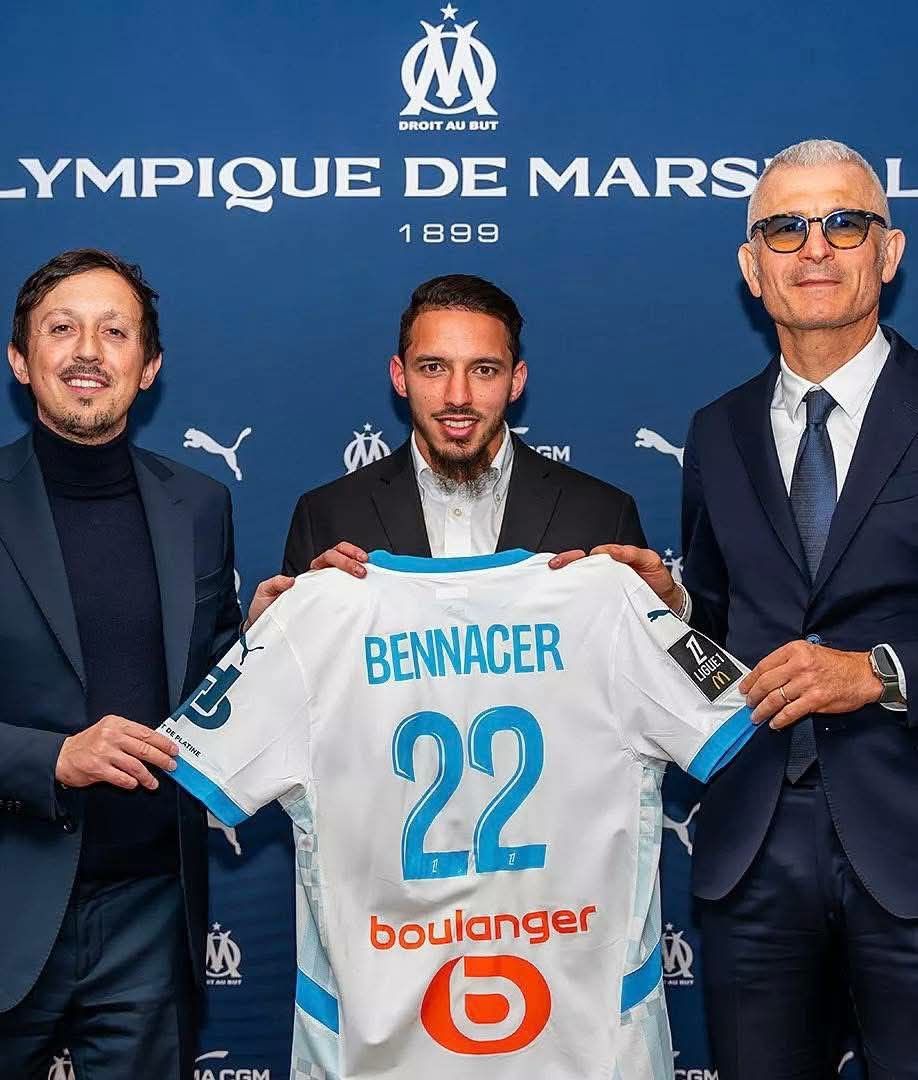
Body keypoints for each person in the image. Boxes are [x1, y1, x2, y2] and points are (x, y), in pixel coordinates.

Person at [601, 139, 917, 1078]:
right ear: (752, 266)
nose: (814, 248)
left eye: (843, 223)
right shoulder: (717, 429)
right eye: (785, 228)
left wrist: (879, 673)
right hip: (752, 847)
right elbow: (718, 628)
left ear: (888, 252)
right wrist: (668, 608)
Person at [0, 249, 287, 1079]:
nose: (88, 351)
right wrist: (53, 757)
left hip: (151, 915)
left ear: (149, 366)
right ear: (20, 359)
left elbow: (207, 686)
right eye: (63, 328)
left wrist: (263, 642)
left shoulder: (199, 505)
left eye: (115, 332)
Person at [282, 274, 648, 576]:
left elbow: (645, 641)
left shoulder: (603, 515)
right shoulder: (326, 515)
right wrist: (268, 627)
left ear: (515, 381)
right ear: (400, 377)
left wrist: (669, 604)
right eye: (433, 368)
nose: (458, 396)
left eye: (484, 370)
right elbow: (297, 643)